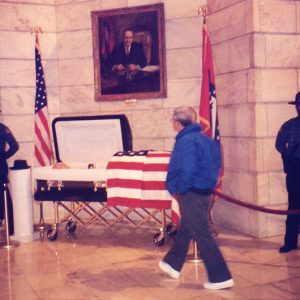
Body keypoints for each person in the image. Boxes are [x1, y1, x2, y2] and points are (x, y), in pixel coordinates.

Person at [158, 106, 234, 290]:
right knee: (187, 228)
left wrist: (180, 189)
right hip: (204, 193)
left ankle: (220, 277)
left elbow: (187, 169)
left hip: (191, 193)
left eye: (172, 121)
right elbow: (216, 166)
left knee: (202, 234)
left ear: (177, 122)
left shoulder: (186, 141)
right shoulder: (206, 140)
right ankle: (172, 264)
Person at [275, 91, 300, 253]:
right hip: (295, 170)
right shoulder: (289, 125)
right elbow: (279, 144)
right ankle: (290, 242)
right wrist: (288, 156)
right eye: (298, 105)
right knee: (294, 207)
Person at [0, 122, 19, 235]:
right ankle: (10, 228)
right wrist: (2, 157)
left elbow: (14, 147)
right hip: (0, 164)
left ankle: (10, 226)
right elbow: (14, 146)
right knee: (4, 195)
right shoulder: (3, 128)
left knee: (4, 195)